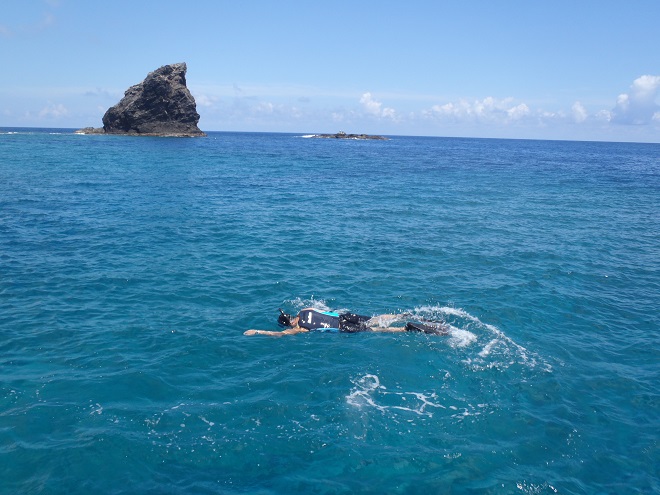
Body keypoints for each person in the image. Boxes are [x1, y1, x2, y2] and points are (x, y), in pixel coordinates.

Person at [244, 307, 449, 336]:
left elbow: (278, 335)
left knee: (375, 330)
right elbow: (325, 310)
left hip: (343, 327)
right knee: (375, 319)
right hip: (344, 316)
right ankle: (408, 315)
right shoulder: (305, 310)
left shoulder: (301, 329)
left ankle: (405, 329)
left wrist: (257, 331)